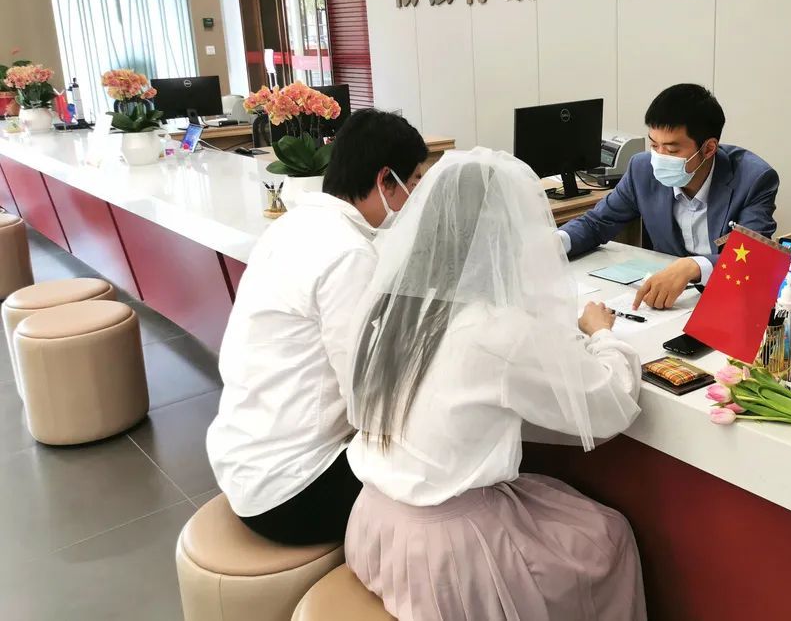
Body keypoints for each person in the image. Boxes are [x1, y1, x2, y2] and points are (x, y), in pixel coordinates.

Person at [344, 148, 646, 621]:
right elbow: (610, 403)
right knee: (608, 536)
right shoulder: (495, 331)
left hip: (373, 528)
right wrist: (602, 335)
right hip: (448, 557)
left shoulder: (393, 307)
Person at [205, 109, 428, 545]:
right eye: (415, 181)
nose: (417, 194)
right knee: (444, 468)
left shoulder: (294, 223)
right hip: (295, 492)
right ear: (385, 180)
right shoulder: (348, 255)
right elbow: (367, 397)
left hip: (243, 461)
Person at [559, 83, 779, 309]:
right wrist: (555, 243)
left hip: (730, 296)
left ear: (709, 148)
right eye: (654, 145)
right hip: (669, 301)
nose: (660, 157)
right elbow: (597, 223)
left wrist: (693, 266)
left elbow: (754, 256)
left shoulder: (753, 179)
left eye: (672, 150)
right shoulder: (642, 169)